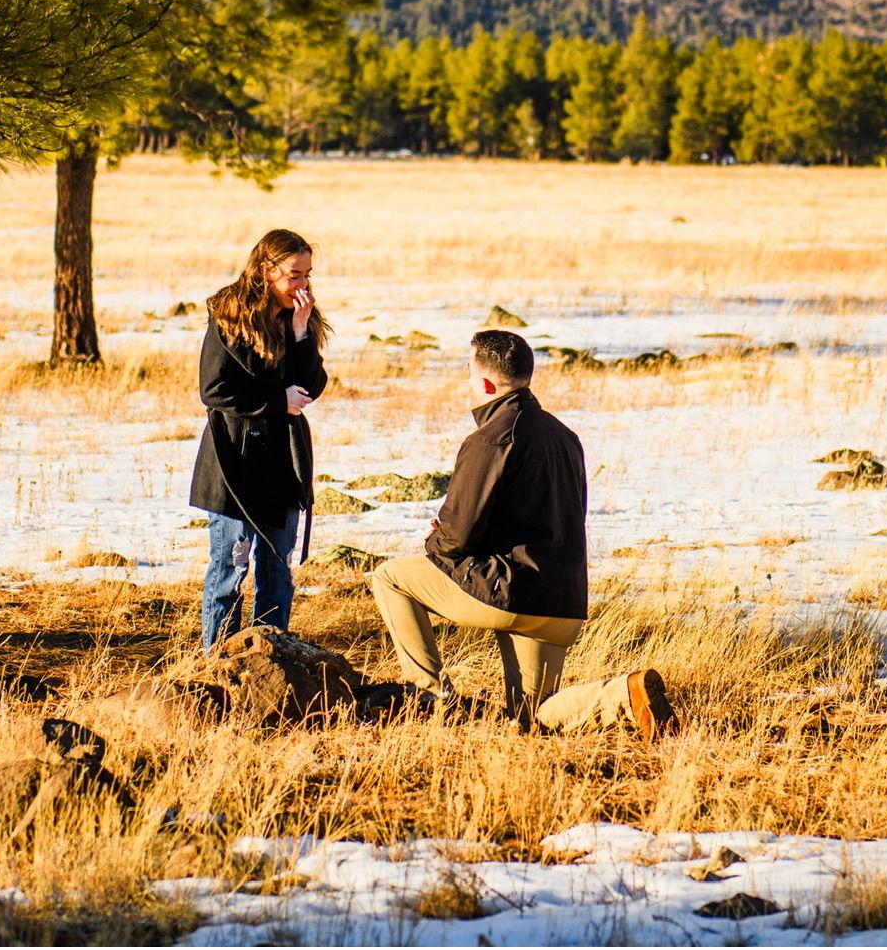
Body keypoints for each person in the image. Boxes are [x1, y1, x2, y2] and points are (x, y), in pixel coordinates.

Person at [368, 329, 678, 738]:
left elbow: (456, 537)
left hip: (511, 595)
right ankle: (624, 693)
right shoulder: (565, 437)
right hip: (563, 601)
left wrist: (437, 538)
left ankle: (429, 698)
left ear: (483, 382)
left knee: (389, 577)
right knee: (532, 718)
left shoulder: (490, 438)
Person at [189, 228, 329, 649]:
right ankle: (217, 664)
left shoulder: (300, 316)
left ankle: (272, 660)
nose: (302, 285)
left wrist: (301, 334)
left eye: (307, 274)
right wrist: (274, 400)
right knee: (229, 569)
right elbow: (213, 390)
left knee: (277, 572)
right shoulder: (230, 316)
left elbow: (311, 388)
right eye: (294, 275)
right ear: (266, 271)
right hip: (236, 460)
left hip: (283, 463)